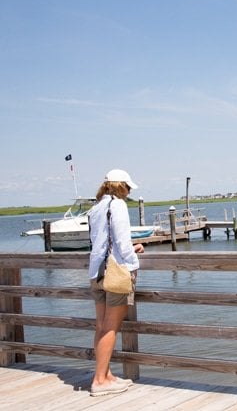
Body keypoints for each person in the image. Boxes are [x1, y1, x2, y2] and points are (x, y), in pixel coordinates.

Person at [88, 169, 144, 397]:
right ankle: (99, 381)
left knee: (101, 325)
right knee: (111, 326)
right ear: (121, 186)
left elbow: (99, 241)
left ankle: (106, 374)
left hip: (97, 272)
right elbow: (121, 241)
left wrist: (131, 247)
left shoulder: (96, 207)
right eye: (128, 188)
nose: (129, 192)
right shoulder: (118, 205)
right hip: (116, 273)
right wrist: (133, 260)